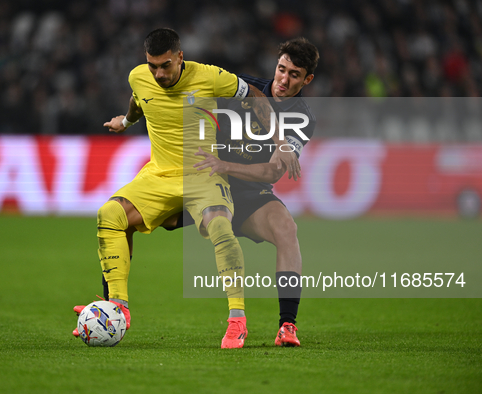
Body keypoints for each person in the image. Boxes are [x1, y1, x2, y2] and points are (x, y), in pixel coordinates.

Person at [72, 28, 292, 348]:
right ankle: (117, 306)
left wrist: (280, 142)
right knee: (109, 214)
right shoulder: (140, 76)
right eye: (152, 66)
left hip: (203, 172)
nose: (158, 73)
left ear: (180, 58)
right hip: (159, 175)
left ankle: (237, 320)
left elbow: (256, 97)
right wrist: (127, 122)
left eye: (165, 65)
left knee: (220, 227)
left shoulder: (212, 77)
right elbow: (139, 100)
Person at [166, 37, 319, 347]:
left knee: (287, 228)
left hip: (249, 193)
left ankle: (287, 326)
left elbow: (273, 172)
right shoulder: (243, 87)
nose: (284, 80)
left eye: (294, 74)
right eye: (281, 70)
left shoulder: (303, 119)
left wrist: (223, 164)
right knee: (142, 214)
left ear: (307, 79)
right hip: (206, 180)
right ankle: (111, 302)